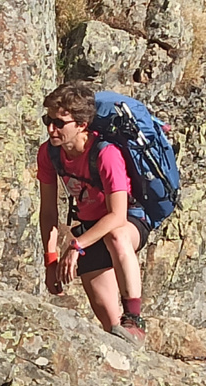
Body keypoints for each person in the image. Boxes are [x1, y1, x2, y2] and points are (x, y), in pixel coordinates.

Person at [36, 81, 150, 345]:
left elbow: (117, 215)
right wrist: (51, 260)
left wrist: (76, 246)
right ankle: (127, 346)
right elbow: (48, 212)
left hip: (128, 219)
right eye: (48, 120)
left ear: (81, 125)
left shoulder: (105, 154)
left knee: (116, 237)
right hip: (90, 229)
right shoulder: (49, 154)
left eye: (60, 122)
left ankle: (135, 320)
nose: (51, 128)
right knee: (112, 330)